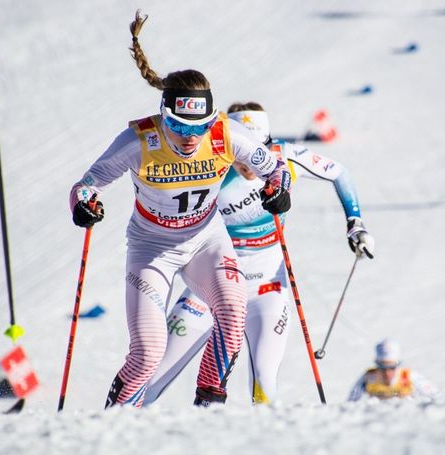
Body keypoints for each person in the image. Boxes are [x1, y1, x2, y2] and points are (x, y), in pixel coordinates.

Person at [68, 11, 292, 408]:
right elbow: (88, 183)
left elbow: (274, 168)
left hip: (206, 240)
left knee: (232, 315)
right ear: (164, 116)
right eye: (180, 127)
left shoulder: (225, 134)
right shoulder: (139, 140)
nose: (191, 138)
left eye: (199, 127)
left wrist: (278, 190)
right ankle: (112, 425)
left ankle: (207, 407)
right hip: (152, 248)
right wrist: (84, 203)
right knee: (148, 354)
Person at [142, 102, 375, 406]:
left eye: (260, 150)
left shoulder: (284, 157)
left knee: (264, 383)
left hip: (266, 289)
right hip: (210, 288)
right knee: (150, 380)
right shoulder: (207, 165)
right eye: (243, 153)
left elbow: (340, 173)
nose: (251, 165)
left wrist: (354, 223)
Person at [348, 338, 438, 401]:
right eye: (382, 368)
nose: (387, 372)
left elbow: (436, 397)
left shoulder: (407, 376)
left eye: (391, 368)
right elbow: (351, 404)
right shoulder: (369, 377)